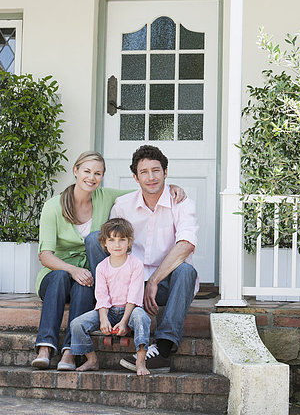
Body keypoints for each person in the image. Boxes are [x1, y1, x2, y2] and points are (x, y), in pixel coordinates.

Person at [31, 150, 185, 371]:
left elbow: (146, 187)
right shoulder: (53, 206)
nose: (91, 178)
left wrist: (171, 188)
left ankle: (69, 353)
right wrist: (73, 270)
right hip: (58, 273)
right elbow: (45, 255)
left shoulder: (105, 197)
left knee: (85, 287)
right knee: (60, 277)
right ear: (75, 171)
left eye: (97, 173)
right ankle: (45, 347)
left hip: (89, 277)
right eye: (86, 171)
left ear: (102, 176)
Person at [85, 144, 199, 373]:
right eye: (144, 172)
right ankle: (110, 307)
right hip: (127, 284)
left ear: (166, 173)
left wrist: (154, 281)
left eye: (156, 171)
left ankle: (163, 350)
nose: (151, 177)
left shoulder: (181, 202)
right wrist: (134, 286)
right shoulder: (124, 204)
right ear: (135, 178)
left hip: (164, 284)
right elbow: (108, 243)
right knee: (95, 238)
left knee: (187, 271)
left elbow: (186, 244)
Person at [70, 218, 150, 374]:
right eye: (112, 240)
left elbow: (134, 295)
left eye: (122, 240)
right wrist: (103, 318)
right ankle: (92, 360)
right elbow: (101, 295)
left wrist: (124, 321)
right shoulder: (102, 267)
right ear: (104, 243)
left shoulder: (135, 264)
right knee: (76, 324)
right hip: (108, 311)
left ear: (129, 242)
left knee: (142, 318)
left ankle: (141, 361)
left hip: (131, 311)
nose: (117, 245)